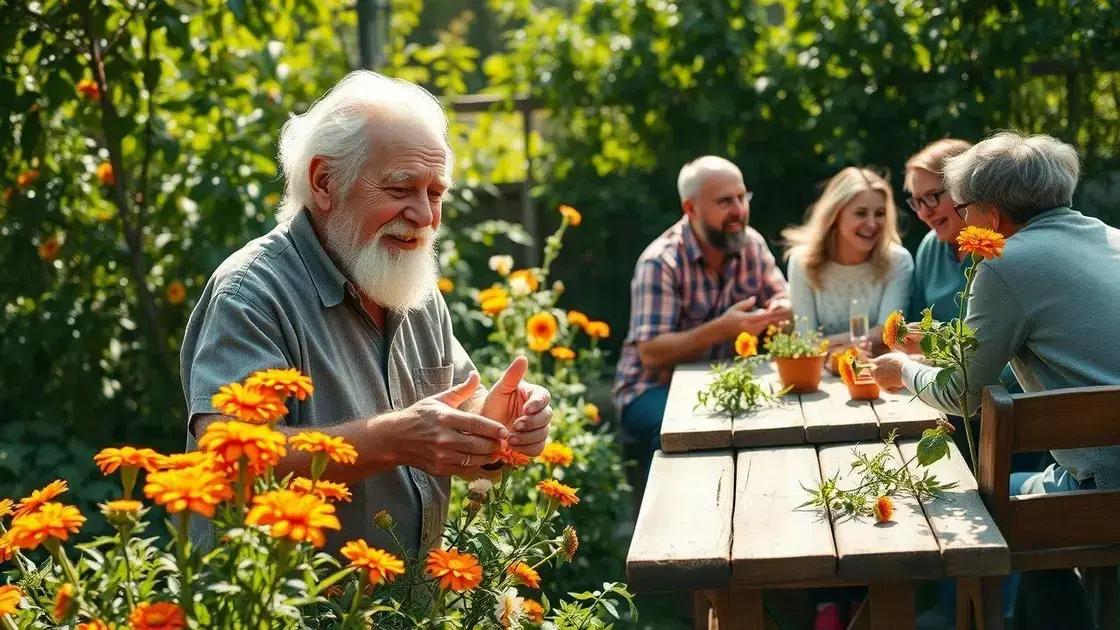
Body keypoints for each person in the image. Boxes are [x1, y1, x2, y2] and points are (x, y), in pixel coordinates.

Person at [180, 71, 553, 555]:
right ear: (324, 183)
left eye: (435, 193)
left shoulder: (408, 283)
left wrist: (499, 423)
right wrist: (394, 440)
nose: (425, 216)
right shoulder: (252, 294)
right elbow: (232, 456)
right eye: (402, 189)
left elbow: (455, 410)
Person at [871, 131, 1120, 630]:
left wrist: (900, 369)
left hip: (1104, 486)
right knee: (1023, 504)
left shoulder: (1006, 262)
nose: (961, 220)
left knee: (980, 504)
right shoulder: (1109, 236)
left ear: (992, 213)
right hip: (1104, 468)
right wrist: (939, 340)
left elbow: (958, 395)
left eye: (963, 207)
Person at [613, 156, 791, 473]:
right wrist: (722, 329)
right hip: (650, 388)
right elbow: (651, 353)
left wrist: (781, 310)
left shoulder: (752, 245)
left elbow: (784, 299)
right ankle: (674, 520)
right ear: (690, 209)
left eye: (742, 197)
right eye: (725, 201)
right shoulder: (661, 261)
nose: (739, 210)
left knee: (783, 418)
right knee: (683, 428)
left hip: (723, 383)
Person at [782, 167, 912, 350]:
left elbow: (888, 335)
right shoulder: (802, 262)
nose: (872, 223)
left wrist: (824, 344)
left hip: (877, 372)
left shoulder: (898, 261)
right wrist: (860, 341)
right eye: (861, 213)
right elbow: (805, 340)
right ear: (835, 216)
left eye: (880, 214)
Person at [903, 138, 974, 322]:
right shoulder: (930, 247)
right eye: (917, 202)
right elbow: (915, 325)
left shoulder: (1001, 243)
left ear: (966, 188)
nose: (924, 213)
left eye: (931, 196)